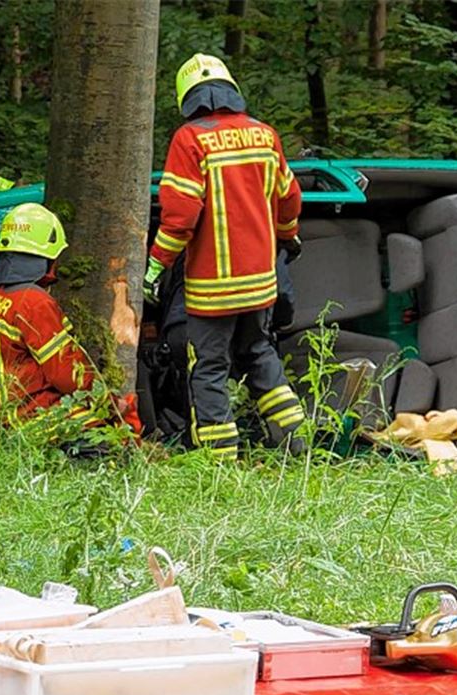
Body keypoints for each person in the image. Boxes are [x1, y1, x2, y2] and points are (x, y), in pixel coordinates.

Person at [143, 53, 305, 458]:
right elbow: (288, 199)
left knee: (209, 368)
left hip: (212, 290)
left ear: (187, 98)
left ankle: (221, 464)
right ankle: (297, 444)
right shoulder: (265, 135)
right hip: (260, 286)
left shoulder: (190, 140)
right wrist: (288, 237)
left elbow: (180, 217)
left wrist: (156, 266)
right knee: (260, 354)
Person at [0, 203, 140, 435]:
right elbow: (66, 372)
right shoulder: (34, 302)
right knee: (113, 435)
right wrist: (109, 402)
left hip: (11, 416)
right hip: (39, 417)